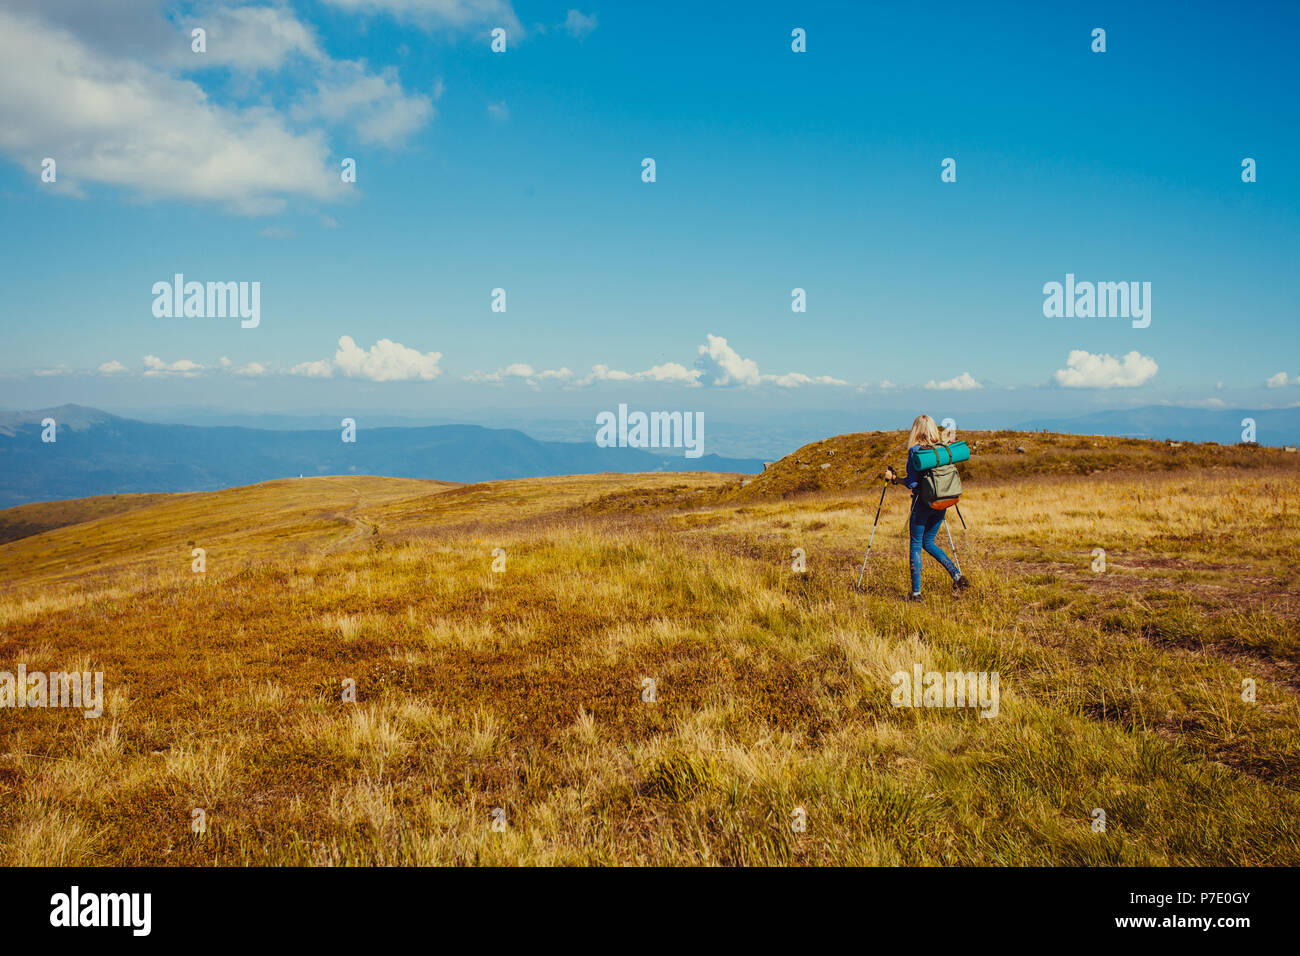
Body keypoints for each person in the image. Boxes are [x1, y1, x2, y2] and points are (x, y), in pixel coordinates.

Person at [883, 414, 970, 601]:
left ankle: (916, 593)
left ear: (916, 430)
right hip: (942, 502)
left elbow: (912, 484)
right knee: (928, 542)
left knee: (916, 543)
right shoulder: (942, 450)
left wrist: (894, 479)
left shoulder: (916, 451)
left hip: (921, 505)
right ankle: (956, 575)